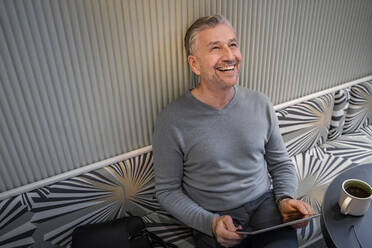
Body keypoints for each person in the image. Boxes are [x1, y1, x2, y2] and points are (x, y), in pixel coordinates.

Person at [153, 15, 313, 248]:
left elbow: (281, 163)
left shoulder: (261, 103)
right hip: (213, 215)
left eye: (233, 44)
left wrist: (286, 199)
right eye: (215, 48)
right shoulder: (172, 120)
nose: (230, 56)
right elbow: (167, 191)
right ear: (195, 64)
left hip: (264, 205)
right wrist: (210, 223)